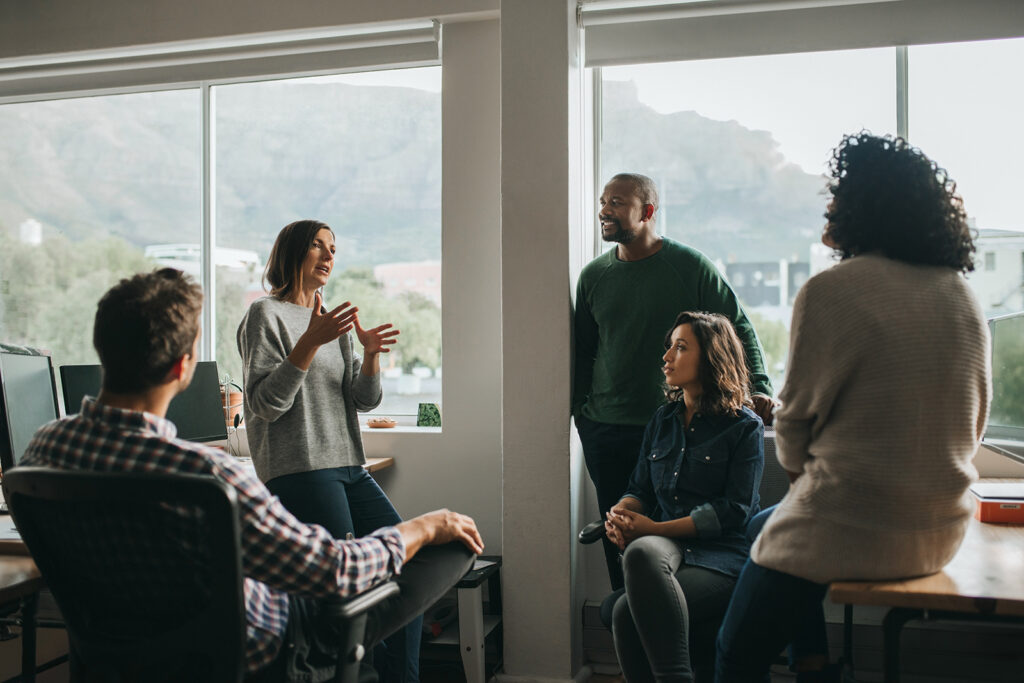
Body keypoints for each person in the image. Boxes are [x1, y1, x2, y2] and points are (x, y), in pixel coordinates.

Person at [20, 268, 484, 682]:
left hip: (124, 656)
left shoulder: (43, 451)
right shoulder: (208, 476)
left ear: (103, 349)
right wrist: (426, 526)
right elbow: (336, 571)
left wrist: (368, 356)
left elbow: (363, 399)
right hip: (264, 651)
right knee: (452, 548)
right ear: (184, 368)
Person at [714, 132, 991, 683]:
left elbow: (791, 432)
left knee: (734, 653)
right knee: (760, 527)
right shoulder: (963, 296)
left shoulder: (830, 290)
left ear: (866, 207)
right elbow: (974, 426)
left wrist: (812, 484)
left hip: (852, 528)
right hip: (939, 533)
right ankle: (812, 661)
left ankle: (807, 664)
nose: (829, 212)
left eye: (837, 197)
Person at [237, 219, 421, 683]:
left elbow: (362, 400)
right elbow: (263, 405)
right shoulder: (266, 315)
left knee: (407, 565)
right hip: (300, 469)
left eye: (333, 248)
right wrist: (306, 344)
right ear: (292, 253)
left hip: (348, 465)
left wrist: (372, 356)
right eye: (317, 246)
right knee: (344, 593)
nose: (328, 255)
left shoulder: (331, 321)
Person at [574, 172, 774, 590]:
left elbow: (737, 328)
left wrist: (760, 389)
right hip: (606, 429)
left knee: (675, 539)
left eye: (617, 203)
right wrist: (582, 416)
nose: (604, 211)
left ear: (647, 212)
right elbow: (582, 351)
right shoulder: (593, 276)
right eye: (603, 201)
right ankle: (630, 626)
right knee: (622, 538)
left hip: (678, 427)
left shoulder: (690, 267)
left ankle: (679, 622)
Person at [604, 311, 764, 683]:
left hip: (722, 556)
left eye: (680, 347)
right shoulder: (663, 420)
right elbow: (640, 488)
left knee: (625, 612)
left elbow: (735, 511)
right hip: (667, 547)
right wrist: (623, 514)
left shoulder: (744, 427)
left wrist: (654, 527)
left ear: (711, 356)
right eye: (669, 347)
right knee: (642, 550)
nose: (667, 357)